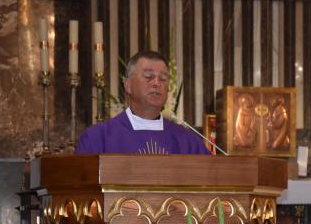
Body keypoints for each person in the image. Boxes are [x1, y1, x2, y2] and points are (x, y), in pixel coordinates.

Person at [75, 51, 210, 155]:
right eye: (148, 76)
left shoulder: (188, 141)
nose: (156, 83)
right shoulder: (97, 138)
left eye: (163, 78)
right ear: (128, 85)